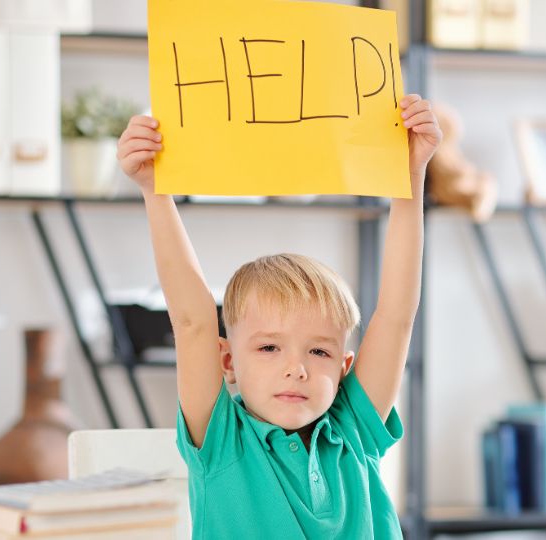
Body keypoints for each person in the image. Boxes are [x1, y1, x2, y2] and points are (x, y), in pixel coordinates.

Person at [117, 93, 441, 538]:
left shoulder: (353, 430)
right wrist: (155, 193)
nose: (297, 369)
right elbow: (193, 322)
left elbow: (398, 314)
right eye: (269, 347)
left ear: (345, 367)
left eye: (319, 351)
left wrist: (410, 177)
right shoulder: (221, 439)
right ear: (227, 361)